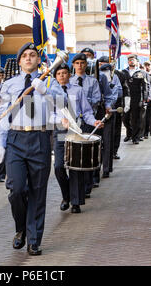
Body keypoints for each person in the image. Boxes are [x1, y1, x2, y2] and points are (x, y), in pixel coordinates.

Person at [0, 42, 63, 256]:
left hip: (40, 137)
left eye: (32, 55)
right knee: (16, 189)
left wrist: (47, 92)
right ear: (19, 60)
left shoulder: (50, 82)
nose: (28, 58)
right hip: (15, 138)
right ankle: (21, 229)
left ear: (38, 60)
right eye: (24, 55)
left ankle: (34, 239)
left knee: (37, 191)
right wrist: (0, 142)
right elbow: (2, 115)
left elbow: (63, 107)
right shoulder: (8, 85)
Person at [52, 63, 103, 213]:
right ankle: (66, 196)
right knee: (59, 167)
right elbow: (49, 113)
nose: (62, 75)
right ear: (56, 76)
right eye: (59, 73)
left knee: (76, 167)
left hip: (76, 131)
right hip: (60, 132)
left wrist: (94, 121)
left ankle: (76, 202)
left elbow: (86, 111)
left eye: (64, 73)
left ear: (69, 74)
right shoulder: (51, 92)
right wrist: (60, 120)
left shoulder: (78, 90)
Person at [69, 53, 102, 195]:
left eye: (82, 63)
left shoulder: (92, 81)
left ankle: (88, 185)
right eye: (77, 63)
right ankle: (77, 186)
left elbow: (96, 99)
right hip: (74, 122)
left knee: (87, 153)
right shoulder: (69, 81)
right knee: (75, 154)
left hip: (88, 119)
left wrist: (83, 102)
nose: (80, 66)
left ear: (86, 64)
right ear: (73, 65)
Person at [122, 54, 150, 144]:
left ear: (136, 61)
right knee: (125, 118)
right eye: (130, 60)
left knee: (135, 118)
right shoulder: (123, 72)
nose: (131, 61)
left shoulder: (141, 72)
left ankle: (135, 137)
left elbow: (145, 85)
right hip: (126, 98)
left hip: (137, 98)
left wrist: (145, 98)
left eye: (133, 60)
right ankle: (129, 133)